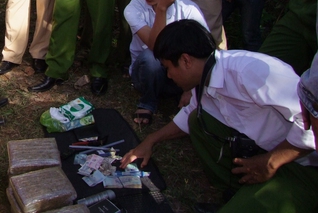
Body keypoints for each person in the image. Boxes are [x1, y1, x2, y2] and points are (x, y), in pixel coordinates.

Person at [121, 20, 318, 213]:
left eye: (168, 68)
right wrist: (151, 140)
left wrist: (272, 160)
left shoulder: (250, 71)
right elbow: (189, 113)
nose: (169, 76)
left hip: (302, 165)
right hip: (267, 154)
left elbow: (311, 120)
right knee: (197, 121)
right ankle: (238, 191)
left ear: (186, 60)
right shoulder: (206, 74)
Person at [124, 0, 208, 126]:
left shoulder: (188, 9)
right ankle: (147, 102)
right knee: (150, 56)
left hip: (180, 76)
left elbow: (205, 51)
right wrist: (161, 8)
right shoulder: (134, 7)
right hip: (145, 74)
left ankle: (190, 93)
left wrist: (190, 88)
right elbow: (156, 47)